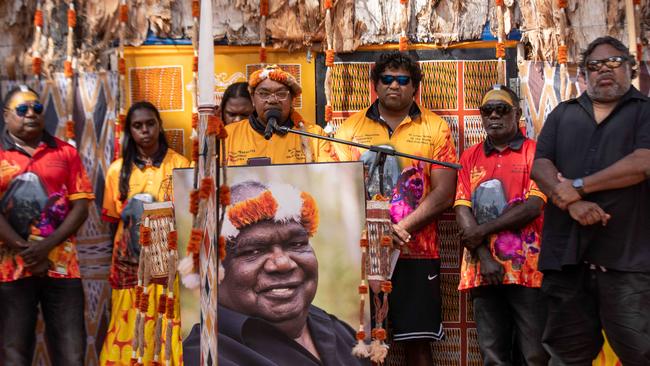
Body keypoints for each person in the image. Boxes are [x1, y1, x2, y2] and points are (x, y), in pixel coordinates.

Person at [531, 36, 650, 365]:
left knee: (641, 353)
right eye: (595, 66)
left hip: (628, 262)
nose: (604, 71)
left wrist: (580, 187)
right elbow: (541, 166)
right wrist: (571, 203)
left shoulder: (645, 112)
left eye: (614, 63)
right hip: (568, 258)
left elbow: (643, 163)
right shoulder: (562, 114)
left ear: (630, 68)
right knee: (566, 355)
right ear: (583, 74)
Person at [333, 52, 457, 366]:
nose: (394, 86)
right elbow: (336, 185)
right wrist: (377, 228)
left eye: (403, 80)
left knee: (418, 344)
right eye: (387, 79)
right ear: (375, 84)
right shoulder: (350, 130)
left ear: (414, 86)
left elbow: (445, 191)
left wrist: (404, 227)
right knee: (363, 347)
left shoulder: (434, 128)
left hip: (416, 250)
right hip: (362, 255)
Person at [183, 180, 370, 366]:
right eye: (253, 251)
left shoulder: (338, 330)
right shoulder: (201, 357)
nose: (282, 263)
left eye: (296, 244)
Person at [454, 85, 548, 365]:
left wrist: (481, 231)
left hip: (526, 270)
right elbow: (462, 207)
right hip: (482, 269)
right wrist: (485, 257)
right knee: (493, 355)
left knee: (535, 354)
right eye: (487, 110)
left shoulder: (535, 152)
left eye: (502, 109)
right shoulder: (470, 156)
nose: (494, 115)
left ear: (517, 113)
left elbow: (534, 206)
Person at [0, 85, 93, 365]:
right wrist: (23, 247)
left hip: (62, 270)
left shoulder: (66, 153)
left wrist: (46, 247)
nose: (31, 113)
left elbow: (81, 207)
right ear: (6, 116)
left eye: (37, 108)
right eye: (22, 109)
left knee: (71, 353)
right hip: (11, 270)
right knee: (13, 353)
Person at [100, 101, 190, 365]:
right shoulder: (117, 171)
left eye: (150, 123)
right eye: (137, 126)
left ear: (159, 126)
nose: (145, 130)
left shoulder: (180, 164)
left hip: (166, 267)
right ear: (130, 131)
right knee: (127, 328)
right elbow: (111, 224)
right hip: (129, 268)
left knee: (167, 327)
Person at [224, 64, 337, 165]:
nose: (273, 100)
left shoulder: (314, 135)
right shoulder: (228, 135)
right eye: (264, 93)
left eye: (281, 93)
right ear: (253, 98)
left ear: (292, 99)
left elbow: (328, 180)